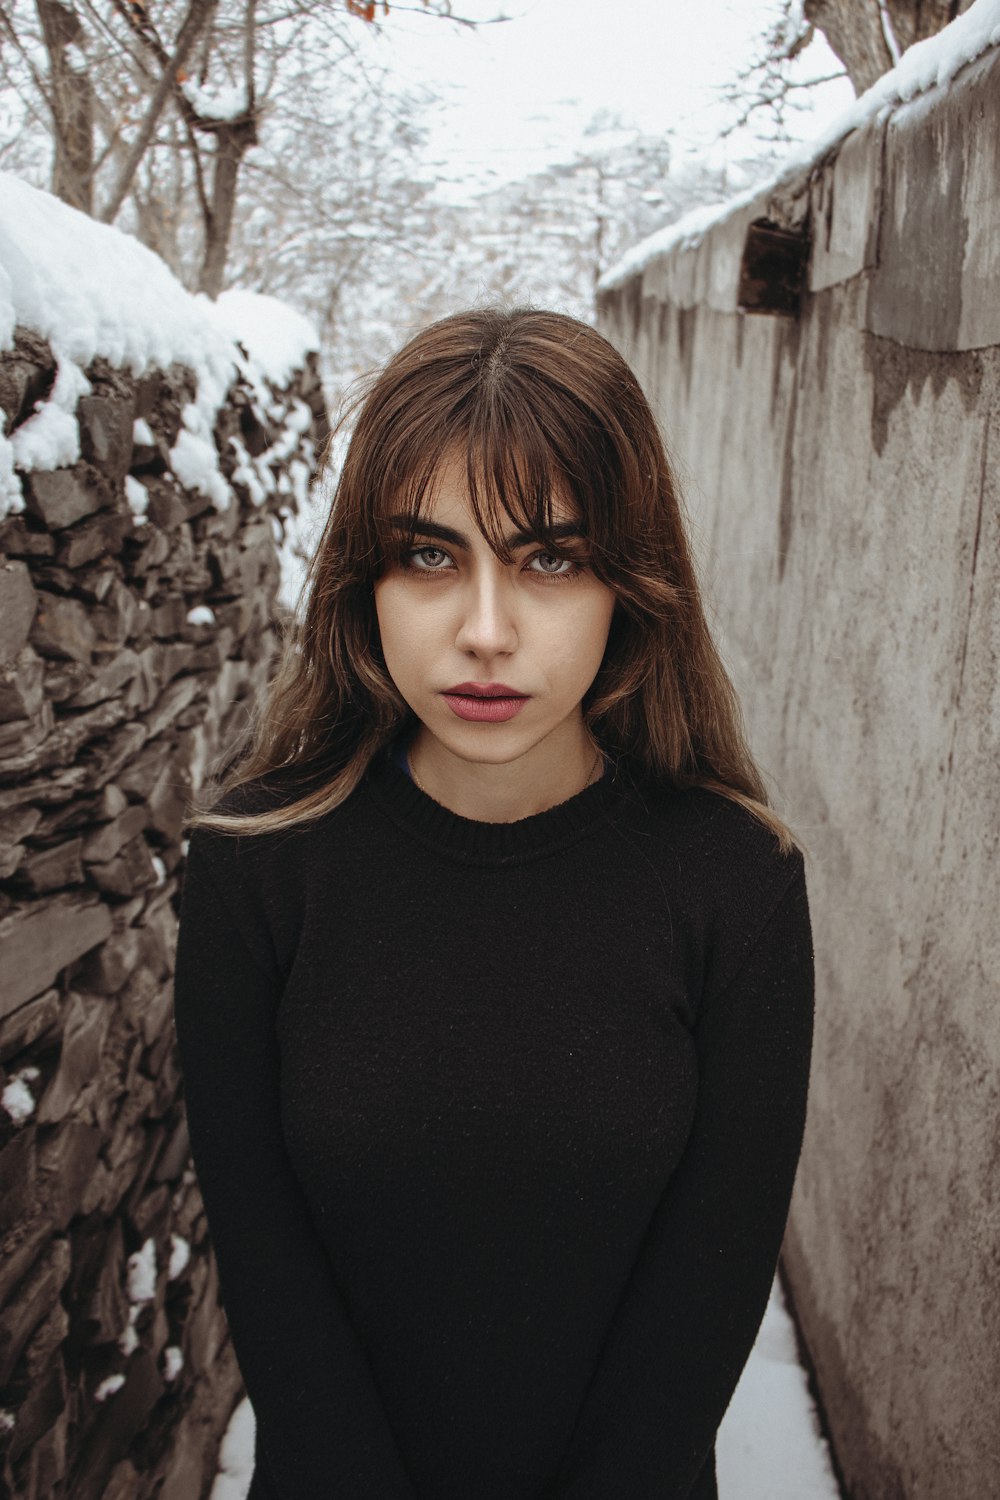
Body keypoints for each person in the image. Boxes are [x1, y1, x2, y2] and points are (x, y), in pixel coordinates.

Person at [172, 306, 815, 1500]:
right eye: (428, 555)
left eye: (550, 559)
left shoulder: (736, 883)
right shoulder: (255, 868)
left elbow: (713, 1273)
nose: (483, 631)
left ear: (632, 580)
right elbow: (263, 1258)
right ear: (363, 578)